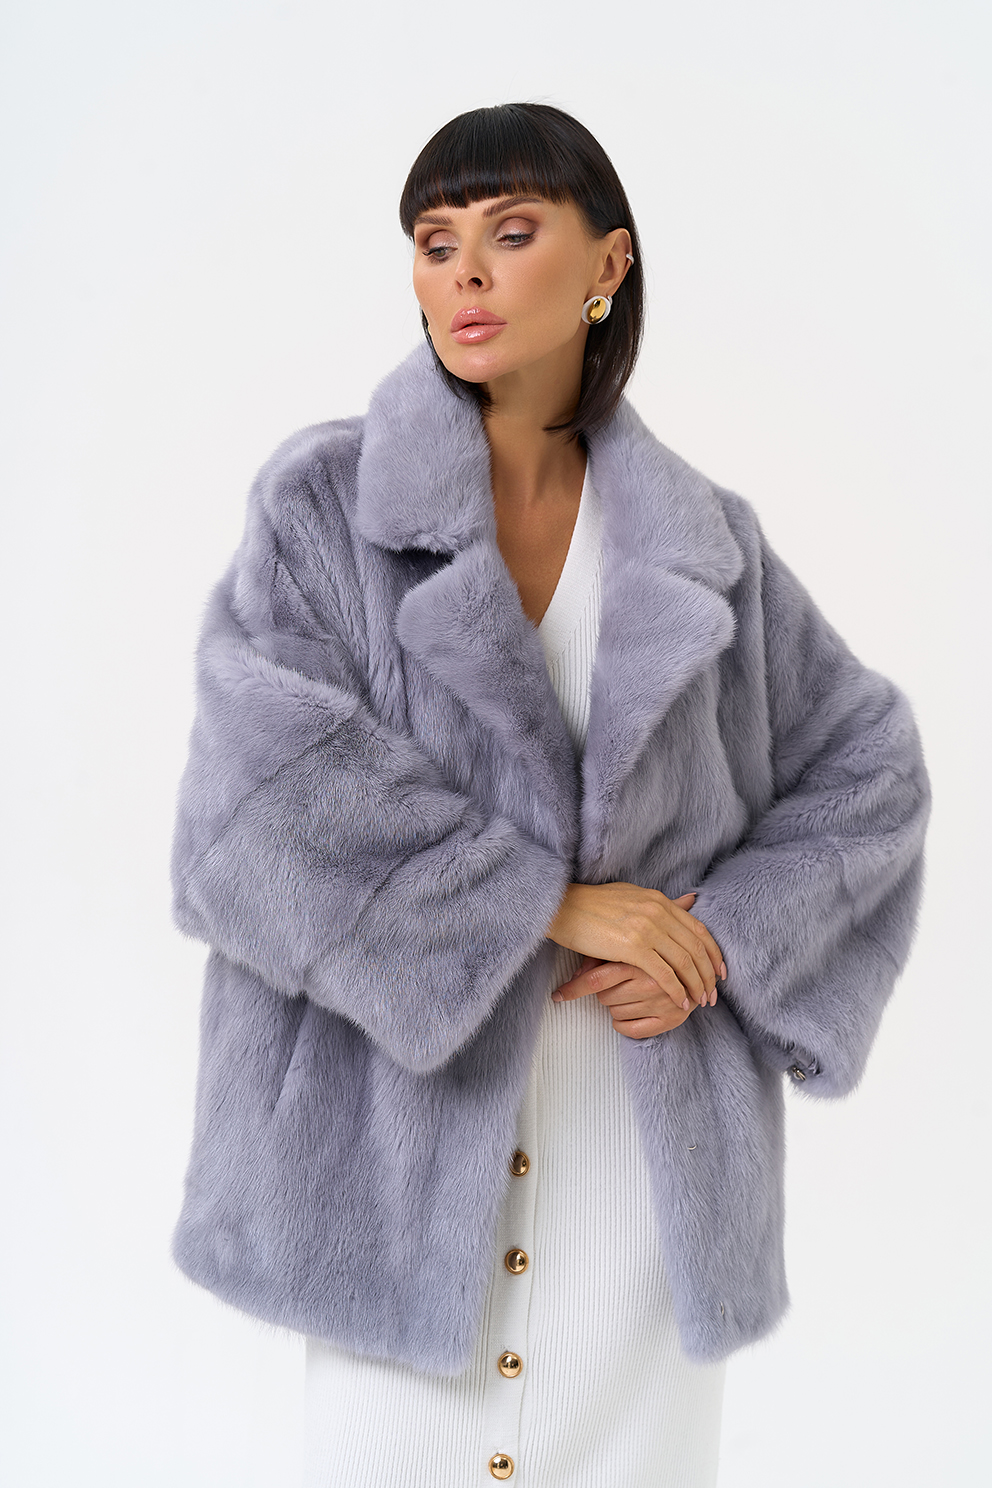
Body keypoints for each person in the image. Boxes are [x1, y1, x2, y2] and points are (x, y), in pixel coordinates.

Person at [170, 104, 930, 1487]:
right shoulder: (325, 509)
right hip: (390, 1196)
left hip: (636, 1198)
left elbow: (868, 768)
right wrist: (551, 907)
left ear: (606, 266)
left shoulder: (703, 546)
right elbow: (257, 803)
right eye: (435, 241)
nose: (463, 271)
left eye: (511, 233)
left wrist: (719, 941)